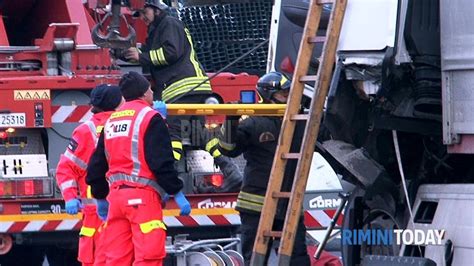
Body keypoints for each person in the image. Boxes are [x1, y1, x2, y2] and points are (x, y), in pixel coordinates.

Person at [86, 71, 191, 266]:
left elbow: (96, 165)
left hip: (115, 200)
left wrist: (100, 197)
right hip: (142, 199)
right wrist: (176, 191)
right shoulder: (151, 117)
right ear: (144, 94)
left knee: (116, 259)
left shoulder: (111, 121)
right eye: (150, 89)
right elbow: (161, 161)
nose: (152, 92)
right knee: (148, 258)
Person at [217, 72, 310, 265]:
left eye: (289, 93)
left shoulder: (300, 122)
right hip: (256, 205)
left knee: (298, 259)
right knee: (257, 259)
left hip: (289, 204)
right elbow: (228, 149)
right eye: (283, 94)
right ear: (269, 95)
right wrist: (230, 120)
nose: (289, 98)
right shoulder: (253, 122)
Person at [125, 0, 212, 162]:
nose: (143, 17)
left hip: (182, 87)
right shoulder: (157, 28)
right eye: (140, 14)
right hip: (194, 88)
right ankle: (230, 170)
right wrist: (127, 54)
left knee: (173, 132)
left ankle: (172, 175)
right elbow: (150, 51)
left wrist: (141, 57)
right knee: (198, 133)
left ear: (156, 8)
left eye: (145, 12)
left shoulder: (168, 23)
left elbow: (171, 52)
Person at [55, 84, 124, 266]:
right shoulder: (131, 124)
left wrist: (70, 197)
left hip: (97, 215)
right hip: (126, 208)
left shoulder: (86, 130)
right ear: (117, 102)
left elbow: (66, 168)